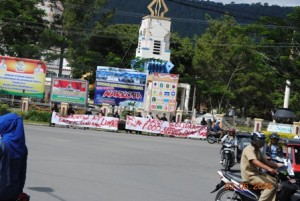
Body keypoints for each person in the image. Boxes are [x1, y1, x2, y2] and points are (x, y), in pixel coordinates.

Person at [241, 132, 282, 201]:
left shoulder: (257, 150)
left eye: (263, 141)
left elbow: (266, 161)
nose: (262, 143)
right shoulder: (249, 149)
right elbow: (255, 162)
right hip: (250, 176)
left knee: (275, 181)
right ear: (254, 141)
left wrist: (278, 165)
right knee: (270, 186)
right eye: (260, 141)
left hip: (256, 173)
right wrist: (269, 169)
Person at [0, 113, 29, 201]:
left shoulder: (2, 145)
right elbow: (22, 173)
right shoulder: (23, 148)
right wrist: (19, 191)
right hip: (13, 192)